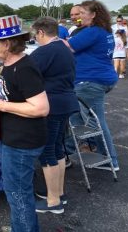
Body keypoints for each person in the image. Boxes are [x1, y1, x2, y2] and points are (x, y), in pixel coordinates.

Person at [0, 14, 49, 232]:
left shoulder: (24, 67)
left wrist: (1, 106)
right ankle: (21, 226)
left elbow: (41, 108)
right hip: (13, 138)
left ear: (7, 43)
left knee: (18, 193)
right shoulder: (9, 65)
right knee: (16, 192)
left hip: (22, 142)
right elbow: (14, 97)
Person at [30, 17, 79, 214]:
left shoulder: (45, 51)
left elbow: (29, 74)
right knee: (57, 149)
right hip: (66, 102)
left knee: (47, 151)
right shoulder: (64, 47)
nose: (35, 38)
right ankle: (58, 194)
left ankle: (53, 201)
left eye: (36, 35)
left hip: (52, 104)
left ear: (41, 32)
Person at [64, 0, 119, 170]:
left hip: (90, 81)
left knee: (96, 121)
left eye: (82, 13)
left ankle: (110, 160)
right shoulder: (103, 30)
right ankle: (67, 152)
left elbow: (68, 47)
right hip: (101, 78)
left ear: (93, 14)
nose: (79, 16)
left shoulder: (93, 31)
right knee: (75, 117)